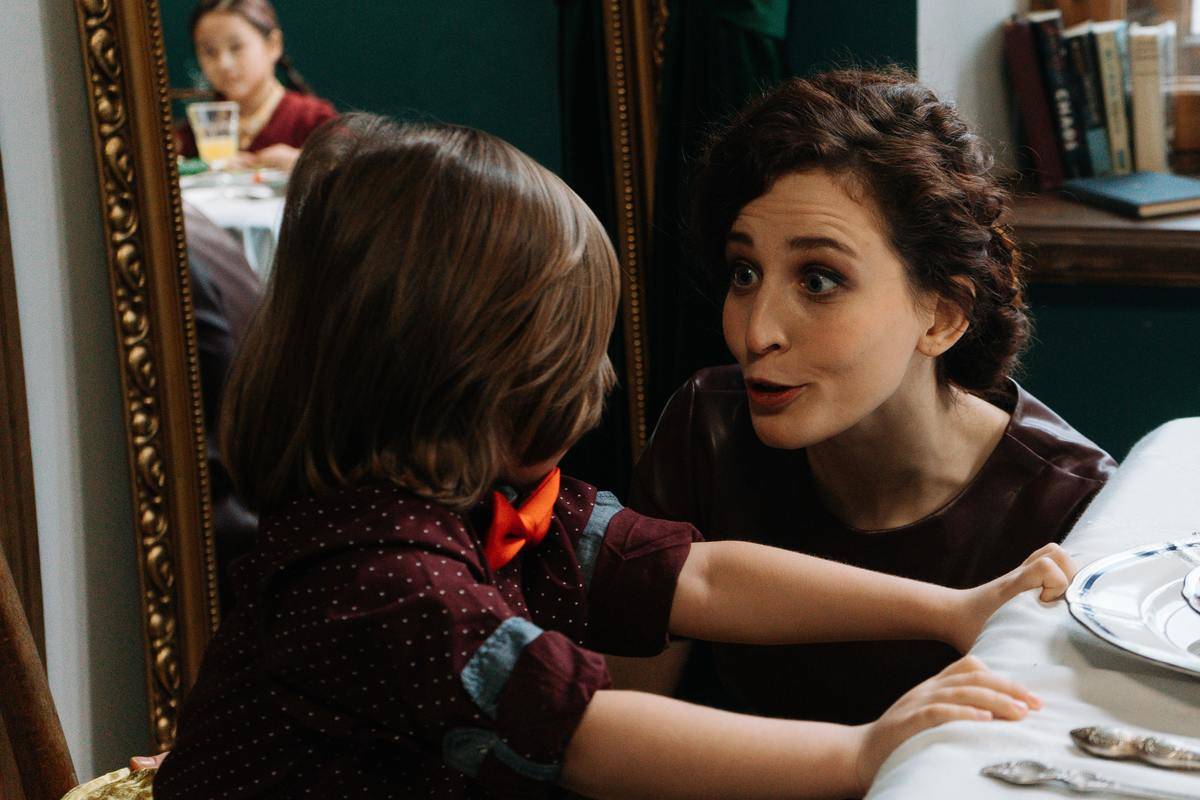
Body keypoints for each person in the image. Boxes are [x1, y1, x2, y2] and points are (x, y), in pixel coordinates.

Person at [151, 113, 1075, 800]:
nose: (594, 383)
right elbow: (589, 734)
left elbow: (702, 579)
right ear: (455, 373)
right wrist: (865, 753)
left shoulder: (485, 501)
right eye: (567, 352)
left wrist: (952, 611)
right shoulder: (382, 585)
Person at [622, 68, 1118, 725]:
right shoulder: (706, 428)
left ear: (941, 318)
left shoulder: (1075, 510)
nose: (755, 332)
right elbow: (606, 728)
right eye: (745, 272)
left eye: (820, 279)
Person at [176, 0, 336, 171]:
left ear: (273, 45)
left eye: (236, 47)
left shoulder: (314, 119)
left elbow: (354, 171)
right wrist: (205, 166)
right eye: (209, 52)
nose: (224, 63)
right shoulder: (195, 131)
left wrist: (304, 163)